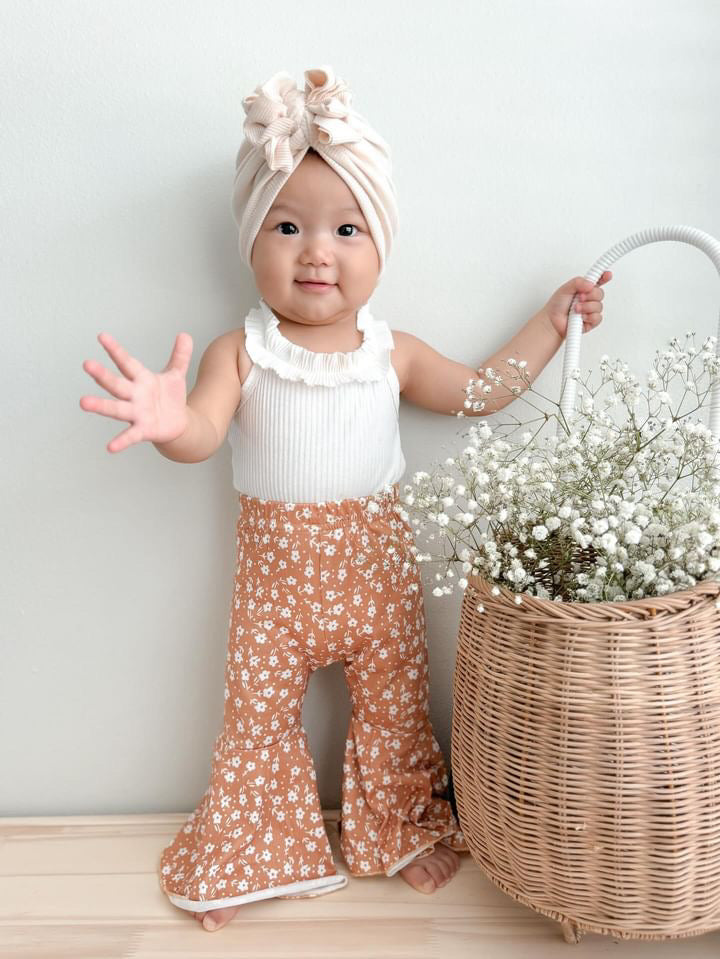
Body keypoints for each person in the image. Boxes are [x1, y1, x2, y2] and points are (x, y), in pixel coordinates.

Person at [79, 65, 611, 933]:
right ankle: (250, 857)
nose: (316, 250)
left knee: (398, 701)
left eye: (345, 228)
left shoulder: (389, 351)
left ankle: (399, 827)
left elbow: (480, 391)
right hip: (274, 590)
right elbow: (205, 434)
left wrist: (553, 323)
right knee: (253, 717)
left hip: (375, 578)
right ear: (251, 242)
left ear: (379, 246)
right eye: (287, 225)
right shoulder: (240, 351)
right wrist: (171, 420)